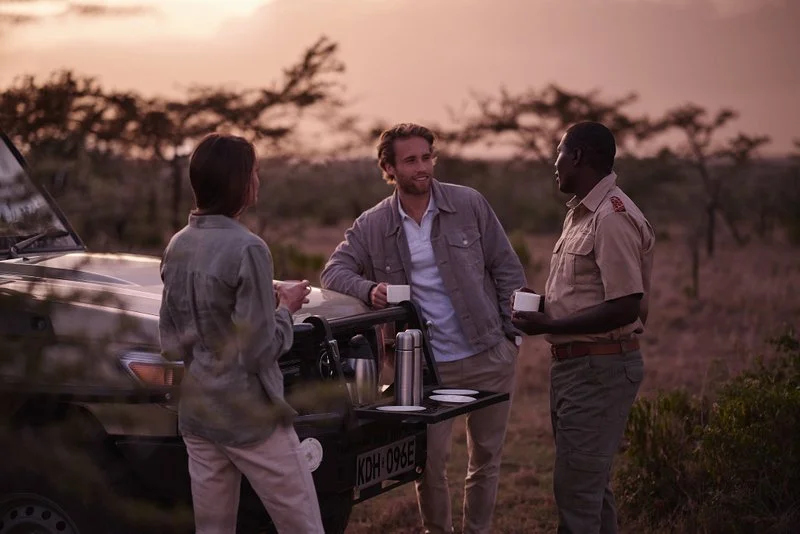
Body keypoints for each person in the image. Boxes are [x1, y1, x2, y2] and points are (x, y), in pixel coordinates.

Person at [320, 122, 526, 534]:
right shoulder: (373, 224)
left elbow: (507, 268)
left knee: (486, 459)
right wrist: (370, 289)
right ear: (389, 167)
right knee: (429, 466)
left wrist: (510, 335)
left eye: (427, 157)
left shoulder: (469, 204)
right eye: (411, 160)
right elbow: (333, 271)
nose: (422, 167)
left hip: (487, 353)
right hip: (425, 368)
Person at [158, 133, 325, 534]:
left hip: (198, 416)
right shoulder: (250, 248)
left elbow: (170, 341)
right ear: (240, 183)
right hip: (250, 419)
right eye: (255, 172)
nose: (259, 180)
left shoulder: (177, 244)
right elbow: (257, 350)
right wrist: (286, 310)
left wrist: (263, 295)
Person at [512, 121, 654, 534]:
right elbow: (589, 294)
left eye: (559, 152)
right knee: (589, 489)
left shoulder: (611, 217)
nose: (554, 163)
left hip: (598, 370)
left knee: (577, 493)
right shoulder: (581, 213)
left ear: (577, 156)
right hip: (578, 369)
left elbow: (626, 306)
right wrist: (541, 306)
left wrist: (551, 323)